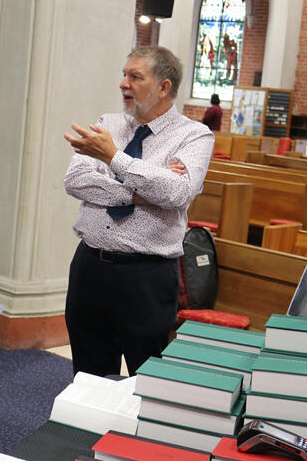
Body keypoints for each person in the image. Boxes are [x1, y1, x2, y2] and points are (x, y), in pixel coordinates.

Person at [63, 46, 214, 377]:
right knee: (88, 379)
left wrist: (114, 157)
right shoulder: (108, 124)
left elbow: (175, 192)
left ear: (163, 87)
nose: (123, 84)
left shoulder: (194, 136)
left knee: (146, 382)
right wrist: (139, 193)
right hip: (90, 267)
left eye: (135, 77)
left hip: (145, 276)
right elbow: (75, 181)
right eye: (123, 74)